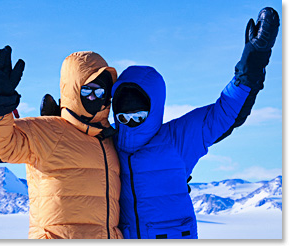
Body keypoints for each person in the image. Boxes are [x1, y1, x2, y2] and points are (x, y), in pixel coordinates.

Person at [110, 7, 279, 239]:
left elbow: (225, 113)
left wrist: (254, 58)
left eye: (138, 116)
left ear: (154, 109)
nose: (130, 123)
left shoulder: (177, 140)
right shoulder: (108, 145)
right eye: (123, 117)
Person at [0, 49, 123, 239]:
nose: (94, 97)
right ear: (73, 91)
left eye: (100, 91)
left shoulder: (112, 140)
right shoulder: (48, 131)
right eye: (87, 90)